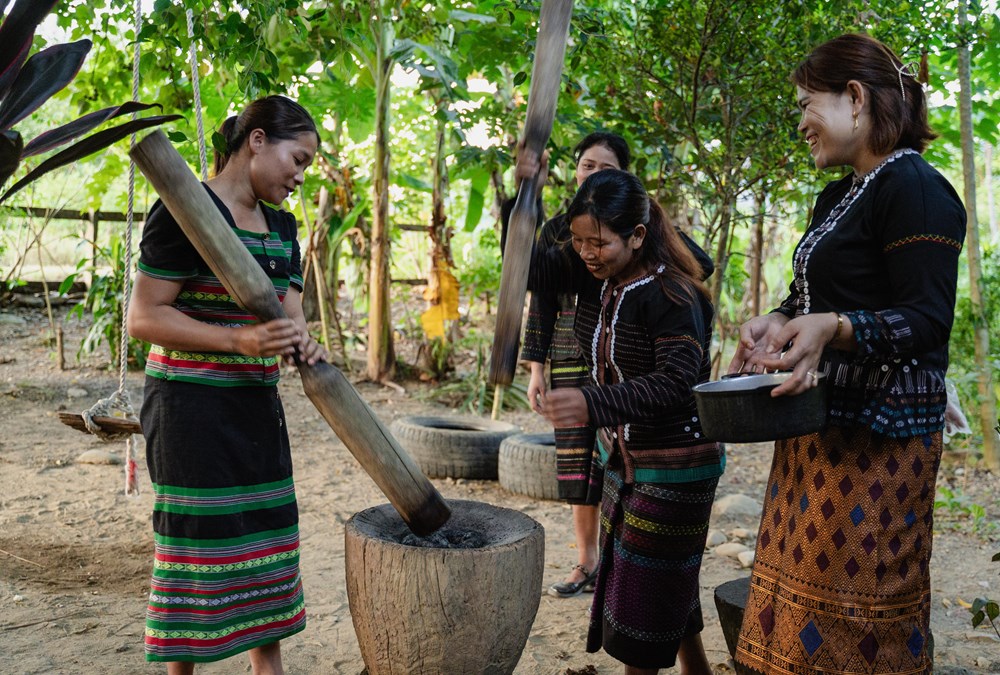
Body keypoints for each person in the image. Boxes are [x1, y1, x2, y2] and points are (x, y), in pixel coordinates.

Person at [729, 33, 966, 675]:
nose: (800, 121)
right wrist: (775, 323)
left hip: (880, 446)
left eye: (807, 103)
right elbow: (807, 295)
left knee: (860, 622)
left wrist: (831, 327)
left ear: (855, 98)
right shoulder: (839, 195)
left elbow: (926, 320)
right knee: (798, 615)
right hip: (816, 430)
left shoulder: (917, 189)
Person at [127, 95, 324, 674]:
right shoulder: (184, 209)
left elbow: (291, 313)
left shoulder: (282, 226)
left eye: (307, 165)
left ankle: (269, 668)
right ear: (257, 140)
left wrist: (302, 340)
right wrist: (238, 341)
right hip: (189, 412)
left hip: (256, 413)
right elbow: (143, 318)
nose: (299, 175)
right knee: (194, 550)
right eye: (298, 157)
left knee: (266, 542)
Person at [532, 169, 725, 674]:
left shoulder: (672, 296)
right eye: (577, 241)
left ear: (637, 236)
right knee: (662, 582)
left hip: (676, 468)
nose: (586, 252)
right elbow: (536, 271)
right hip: (629, 461)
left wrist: (592, 405)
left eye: (599, 242)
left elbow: (677, 383)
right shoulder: (608, 285)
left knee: (642, 600)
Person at [506, 131, 631, 598]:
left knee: (620, 459)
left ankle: (623, 564)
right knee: (579, 465)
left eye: (606, 167)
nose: (593, 174)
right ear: (574, 172)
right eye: (586, 166)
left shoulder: (638, 230)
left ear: (624, 175)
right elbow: (540, 299)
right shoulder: (556, 230)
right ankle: (587, 562)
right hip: (567, 360)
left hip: (621, 366)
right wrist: (536, 367)